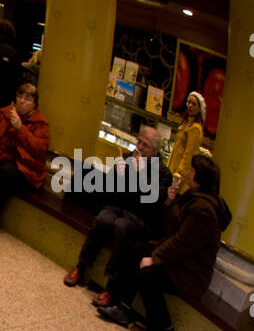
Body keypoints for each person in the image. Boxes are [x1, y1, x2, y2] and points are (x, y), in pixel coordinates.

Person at [98, 152, 231, 331]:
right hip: (179, 262)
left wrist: (154, 257)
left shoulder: (204, 210)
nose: (188, 172)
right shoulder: (194, 198)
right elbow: (172, 228)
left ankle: (164, 328)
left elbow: (182, 242)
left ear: (200, 177)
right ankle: (122, 305)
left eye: (192, 170)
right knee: (135, 250)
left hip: (189, 274)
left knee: (147, 272)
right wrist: (169, 202)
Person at [63, 125, 173, 307]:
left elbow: (151, 202)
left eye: (144, 145)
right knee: (103, 219)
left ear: (155, 151)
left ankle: (111, 285)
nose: (138, 146)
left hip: (140, 218)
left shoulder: (163, 173)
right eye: (138, 141)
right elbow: (110, 191)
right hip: (118, 207)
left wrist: (138, 176)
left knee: (121, 227)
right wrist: (117, 175)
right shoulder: (128, 158)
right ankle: (81, 266)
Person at [0, 81, 50, 230]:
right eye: (20, 96)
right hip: (0, 156)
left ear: (34, 104)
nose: (22, 101)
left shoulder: (41, 124)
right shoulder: (5, 112)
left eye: (28, 99)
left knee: (6, 172)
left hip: (23, 167)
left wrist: (20, 128)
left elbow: (39, 150)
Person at [166, 91, 205, 197]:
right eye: (189, 102)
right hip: (172, 168)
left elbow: (188, 156)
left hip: (178, 176)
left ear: (199, 108)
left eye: (194, 104)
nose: (190, 106)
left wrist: (178, 176)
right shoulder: (186, 123)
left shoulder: (195, 129)